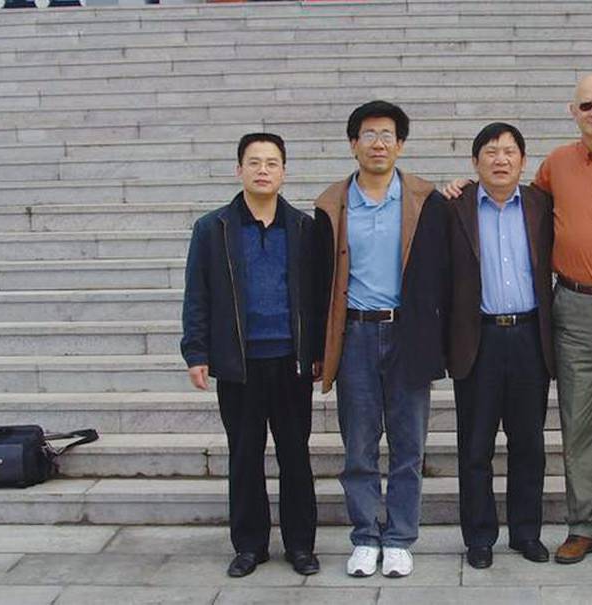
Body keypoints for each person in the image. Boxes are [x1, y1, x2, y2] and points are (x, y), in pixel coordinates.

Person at [443, 74, 592, 573]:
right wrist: (460, 187)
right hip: (572, 307)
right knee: (576, 423)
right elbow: (511, 201)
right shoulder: (554, 169)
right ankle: (582, 526)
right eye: (586, 105)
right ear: (572, 111)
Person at [313, 100, 449, 578]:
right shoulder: (331, 204)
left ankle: (400, 538)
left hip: (407, 333)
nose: (378, 143)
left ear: (401, 145)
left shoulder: (425, 201)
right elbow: (317, 280)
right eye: (368, 134)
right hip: (354, 333)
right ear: (353, 144)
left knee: (409, 445)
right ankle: (366, 535)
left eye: (387, 135)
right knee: (359, 445)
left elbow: (443, 273)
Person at [181, 132, 320, 578]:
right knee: (244, 456)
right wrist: (196, 352)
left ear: (284, 172)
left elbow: (316, 296)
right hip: (238, 364)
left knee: (295, 455)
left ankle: (300, 545)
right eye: (255, 162)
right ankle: (249, 545)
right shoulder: (214, 229)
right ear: (239, 169)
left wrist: (316, 351)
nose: (263, 170)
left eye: (272, 162)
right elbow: (197, 294)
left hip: (290, 361)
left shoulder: (303, 228)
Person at [446, 122, 554, 569]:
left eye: (509, 151)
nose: (500, 159)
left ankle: (526, 533)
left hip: (530, 336)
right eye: (490, 152)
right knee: (476, 446)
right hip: (479, 338)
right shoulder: (453, 207)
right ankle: (479, 537)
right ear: (475, 162)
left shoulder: (541, 204)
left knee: (529, 443)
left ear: (523, 161)